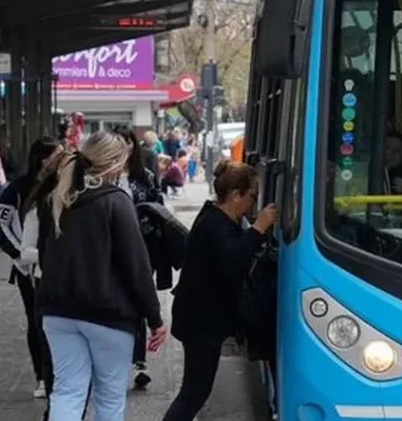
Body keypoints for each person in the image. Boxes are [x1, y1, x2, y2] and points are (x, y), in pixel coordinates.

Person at [34, 131, 167, 421]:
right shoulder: (116, 202)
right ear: (117, 164)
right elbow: (137, 266)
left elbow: (44, 257)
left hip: (57, 312)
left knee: (67, 392)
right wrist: (154, 318)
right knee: (109, 397)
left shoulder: (57, 199)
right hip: (109, 314)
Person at [162, 161, 277, 421]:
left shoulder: (217, 218)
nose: (253, 204)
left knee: (195, 391)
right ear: (236, 195)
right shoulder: (216, 224)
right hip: (201, 323)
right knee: (194, 393)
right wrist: (259, 228)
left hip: (201, 320)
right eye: (252, 196)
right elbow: (233, 262)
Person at [0, 136, 63, 400]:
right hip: (28, 268)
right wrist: (19, 256)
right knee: (37, 323)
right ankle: (43, 375)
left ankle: (59, 374)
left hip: (58, 267)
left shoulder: (64, 185)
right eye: (57, 156)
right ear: (43, 159)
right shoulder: (19, 188)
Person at [113, 126, 165, 390]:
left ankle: (138, 362)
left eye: (128, 142)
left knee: (138, 300)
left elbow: (159, 209)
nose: (124, 147)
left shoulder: (144, 176)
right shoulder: (101, 178)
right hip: (109, 253)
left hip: (143, 248)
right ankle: (121, 358)